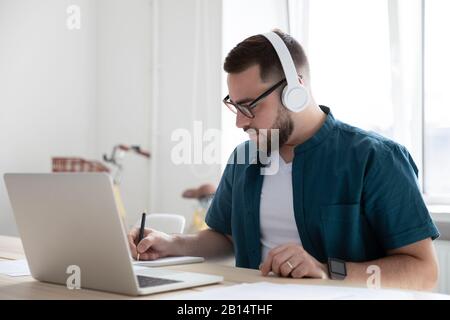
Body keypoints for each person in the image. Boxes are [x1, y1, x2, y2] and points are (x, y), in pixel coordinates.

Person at [128, 29, 439, 290]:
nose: (240, 122)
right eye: (234, 106)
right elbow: (226, 237)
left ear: (295, 91)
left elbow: (425, 272)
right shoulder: (245, 157)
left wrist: (328, 272)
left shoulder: (376, 159)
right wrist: (172, 243)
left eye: (249, 106)